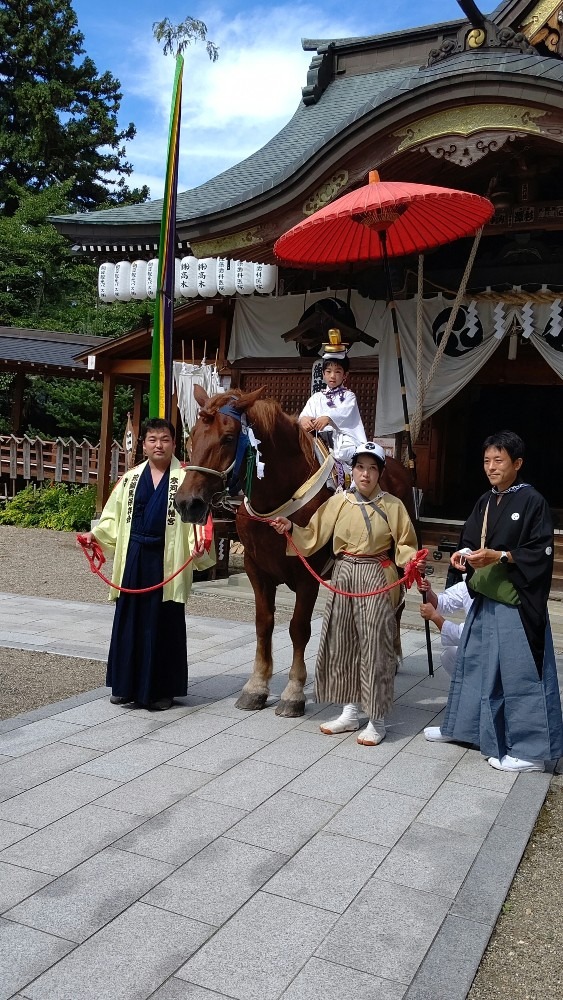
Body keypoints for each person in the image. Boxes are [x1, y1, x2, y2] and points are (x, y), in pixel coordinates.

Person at [424, 430, 563, 772]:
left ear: (517, 463)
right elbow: (470, 541)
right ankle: (465, 728)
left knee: (520, 673)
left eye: (498, 460)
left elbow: (540, 552)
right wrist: (462, 555)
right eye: (487, 460)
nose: (491, 467)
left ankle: (531, 751)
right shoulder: (485, 501)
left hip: (516, 600)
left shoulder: (533, 501)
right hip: (486, 597)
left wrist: (500, 556)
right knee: (473, 664)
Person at [270, 441, 418, 746]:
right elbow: (312, 534)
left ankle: (377, 719)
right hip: (344, 573)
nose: (365, 474)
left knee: (376, 645)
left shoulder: (394, 505)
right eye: (360, 467)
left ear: (379, 473)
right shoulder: (338, 503)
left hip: (377, 573)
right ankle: (350, 712)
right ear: (352, 471)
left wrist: (411, 563)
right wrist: (290, 527)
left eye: (372, 468)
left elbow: (406, 544)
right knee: (344, 642)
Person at [79, 418, 215, 710]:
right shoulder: (130, 479)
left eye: (164, 439)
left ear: (174, 444)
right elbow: (112, 519)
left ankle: (163, 689)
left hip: (168, 558)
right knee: (130, 619)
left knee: (163, 622)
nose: (159, 445)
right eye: (152, 439)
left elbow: (198, 520)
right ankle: (125, 685)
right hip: (135, 558)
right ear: (143, 445)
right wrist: (95, 535)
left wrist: (199, 542)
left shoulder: (186, 477)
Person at [299, 329, 366, 466]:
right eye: (328, 372)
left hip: (341, 441)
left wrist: (328, 418)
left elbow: (344, 414)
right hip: (318, 441)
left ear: (345, 375)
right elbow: (304, 415)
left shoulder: (349, 396)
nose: (332, 376)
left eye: (337, 371)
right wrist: (304, 420)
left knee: (345, 452)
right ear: (323, 374)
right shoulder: (316, 397)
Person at [418, 578, 473, 676]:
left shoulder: (491, 594)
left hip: (492, 653)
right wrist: (428, 592)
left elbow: (467, 635)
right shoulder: (469, 584)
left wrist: (435, 617)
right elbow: (443, 602)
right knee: (449, 655)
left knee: (453, 655)